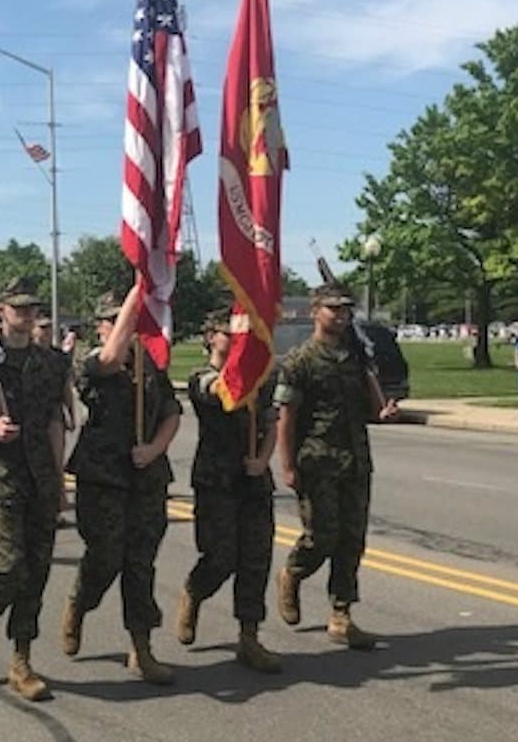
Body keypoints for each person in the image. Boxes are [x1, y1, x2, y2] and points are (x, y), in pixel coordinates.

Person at [61, 286, 181, 686]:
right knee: (106, 557)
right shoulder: (90, 361)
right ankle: (81, 602)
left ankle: (141, 648)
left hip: (146, 477)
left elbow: (170, 413)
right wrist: (139, 291)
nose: (128, 328)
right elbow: (111, 359)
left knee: (140, 563)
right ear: (101, 328)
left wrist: (154, 449)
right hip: (104, 478)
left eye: (129, 320)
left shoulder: (151, 364)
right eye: (116, 321)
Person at [274, 284, 399, 650]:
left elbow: (371, 410)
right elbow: (287, 417)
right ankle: (293, 572)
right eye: (333, 309)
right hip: (317, 461)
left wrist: (384, 413)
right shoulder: (300, 362)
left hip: (356, 460)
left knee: (351, 540)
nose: (341, 316)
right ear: (316, 312)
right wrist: (288, 466)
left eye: (346, 310)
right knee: (322, 537)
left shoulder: (355, 357)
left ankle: (341, 615)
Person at [0, 276, 66, 702]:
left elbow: (56, 422)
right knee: (9, 566)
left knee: (37, 572)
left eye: (32, 309)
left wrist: (59, 481)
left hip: (40, 474)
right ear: (1, 311)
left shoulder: (52, 362)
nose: (26, 316)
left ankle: (22, 660)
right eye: (18, 308)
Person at [175, 311, 282, 673]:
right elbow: (222, 392)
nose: (235, 338)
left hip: (252, 480)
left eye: (241, 333)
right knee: (220, 557)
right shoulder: (199, 378)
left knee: (256, 558)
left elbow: (270, 424)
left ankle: (249, 637)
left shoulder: (263, 380)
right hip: (216, 480)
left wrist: (262, 459)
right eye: (227, 332)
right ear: (210, 337)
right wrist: (244, 369)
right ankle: (194, 592)